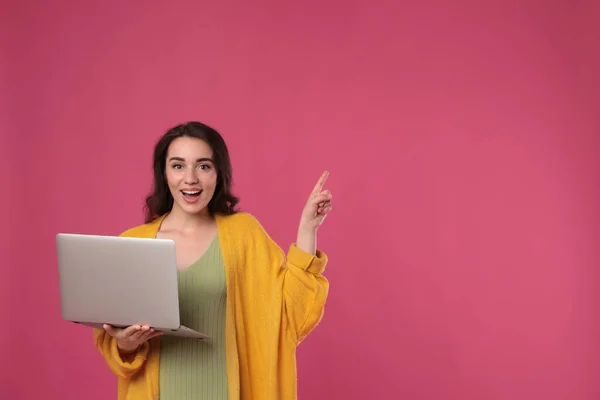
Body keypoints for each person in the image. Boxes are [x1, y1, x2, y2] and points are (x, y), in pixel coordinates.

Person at [93, 121, 332, 400]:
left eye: (203, 166)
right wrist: (125, 345)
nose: (190, 178)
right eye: (178, 165)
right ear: (164, 173)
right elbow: (114, 344)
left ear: (219, 173)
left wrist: (307, 229)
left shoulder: (243, 234)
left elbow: (291, 313)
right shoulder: (132, 242)